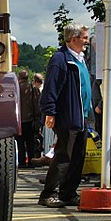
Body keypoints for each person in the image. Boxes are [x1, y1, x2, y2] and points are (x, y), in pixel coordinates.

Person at [38, 22, 92, 208]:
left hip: (81, 116)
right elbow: (51, 87)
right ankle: (49, 193)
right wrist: (50, 112)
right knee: (64, 155)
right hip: (68, 115)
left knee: (78, 156)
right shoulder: (60, 59)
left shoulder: (80, 58)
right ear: (73, 38)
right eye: (84, 37)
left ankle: (68, 193)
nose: (87, 40)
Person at [17, 70, 41, 167]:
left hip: (18, 121)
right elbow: (37, 104)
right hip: (30, 120)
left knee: (20, 143)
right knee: (30, 143)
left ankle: (22, 162)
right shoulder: (32, 88)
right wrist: (38, 117)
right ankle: (31, 162)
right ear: (28, 78)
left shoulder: (16, 88)